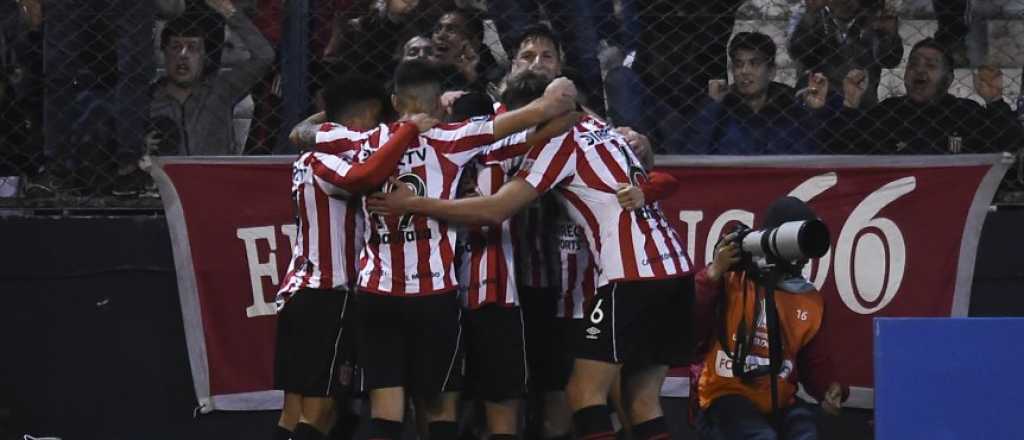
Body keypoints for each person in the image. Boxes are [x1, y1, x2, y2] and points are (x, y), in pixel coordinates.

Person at [365, 85, 694, 440]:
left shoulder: (559, 143)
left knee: (583, 393)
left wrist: (413, 204)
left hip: (632, 273)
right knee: (643, 401)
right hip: (676, 269)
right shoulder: (606, 130)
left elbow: (495, 210)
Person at [352, 60, 575, 440]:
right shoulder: (456, 141)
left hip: (388, 290)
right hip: (446, 294)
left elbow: (309, 135)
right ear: (439, 105)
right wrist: (561, 89)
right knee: (445, 404)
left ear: (394, 100)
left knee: (399, 406)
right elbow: (551, 116)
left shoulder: (365, 145)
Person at [273, 74, 439, 440]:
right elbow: (367, 174)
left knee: (295, 412)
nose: (380, 131)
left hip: (303, 293)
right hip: (326, 293)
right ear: (356, 123)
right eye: (376, 121)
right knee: (318, 412)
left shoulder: (308, 155)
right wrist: (408, 130)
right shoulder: (329, 157)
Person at [692, 197, 847, 440]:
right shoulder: (732, 279)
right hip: (722, 395)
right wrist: (713, 274)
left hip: (779, 402)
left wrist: (830, 389)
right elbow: (692, 325)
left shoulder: (811, 301)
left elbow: (814, 363)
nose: (803, 256)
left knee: (806, 432)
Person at [834, 38, 1024, 154]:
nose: (920, 71)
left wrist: (995, 100)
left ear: (948, 79)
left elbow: (1010, 144)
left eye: (931, 65)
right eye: (913, 64)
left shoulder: (966, 113)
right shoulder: (887, 113)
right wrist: (850, 104)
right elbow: (844, 148)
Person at [149, 0, 274, 156]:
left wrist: (227, 10)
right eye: (176, 47)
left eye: (192, 48)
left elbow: (264, 56)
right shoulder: (148, 99)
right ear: (164, 53)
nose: (183, 55)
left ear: (205, 57)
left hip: (215, 178)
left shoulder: (221, 90)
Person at [687, 32, 835, 154]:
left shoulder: (791, 107)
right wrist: (712, 106)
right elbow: (692, 154)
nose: (744, 71)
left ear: (771, 71)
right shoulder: (720, 108)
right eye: (738, 65)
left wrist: (815, 112)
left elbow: (814, 154)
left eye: (754, 63)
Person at [788, 0, 903, 108]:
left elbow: (890, 60)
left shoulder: (872, 17)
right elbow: (797, 52)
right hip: (815, 104)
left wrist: (887, 34)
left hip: (862, 109)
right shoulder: (808, 11)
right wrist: (811, 14)